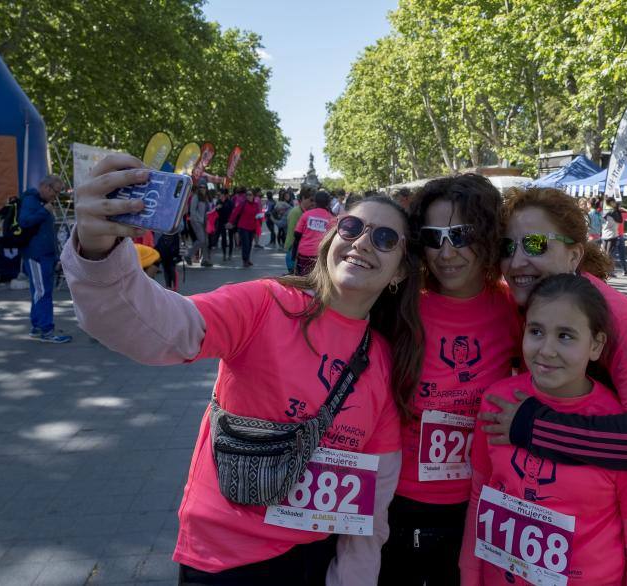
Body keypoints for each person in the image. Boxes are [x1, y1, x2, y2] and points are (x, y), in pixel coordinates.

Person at [61, 153, 425, 586]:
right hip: (225, 560)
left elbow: (373, 496)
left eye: (384, 238)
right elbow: (160, 329)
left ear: (400, 270)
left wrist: (353, 578)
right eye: (351, 227)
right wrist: (99, 249)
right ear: (330, 239)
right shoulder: (264, 303)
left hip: (315, 559)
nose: (362, 242)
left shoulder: (383, 358)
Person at [480, 187, 627, 577]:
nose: (517, 260)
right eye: (507, 247)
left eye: (536, 244)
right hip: (544, 501)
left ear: (574, 254)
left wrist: (531, 426)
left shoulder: (616, 316)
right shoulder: (517, 298)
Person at [461, 274, 627, 585]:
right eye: (536, 331)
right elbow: (479, 496)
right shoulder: (497, 400)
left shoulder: (623, 432)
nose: (546, 350)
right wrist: (469, 574)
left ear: (596, 345)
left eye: (566, 336)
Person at [378, 174, 522, 586]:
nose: (446, 252)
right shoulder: (397, 305)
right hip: (396, 501)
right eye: (432, 236)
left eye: (461, 235)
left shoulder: (515, 307)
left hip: (480, 502)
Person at [18, 174, 72, 343]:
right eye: (55, 192)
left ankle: (38, 327)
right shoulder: (31, 200)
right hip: (36, 255)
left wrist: (56, 256)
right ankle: (46, 330)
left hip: (45, 255)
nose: (55, 196)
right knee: (42, 292)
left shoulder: (41, 202)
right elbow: (24, 222)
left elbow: (49, 233)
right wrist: (44, 212)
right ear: (46, 187)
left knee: (41, 291)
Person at [293, 190, 335, 276]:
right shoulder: (331, 219)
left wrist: (293, 253)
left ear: (315, 201)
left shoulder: (306, 215)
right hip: (319, 255)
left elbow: (297, 234)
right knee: (315, 280)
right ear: (328, 202)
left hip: (303, 254)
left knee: (300, 278)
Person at [228, 189, 262, 268]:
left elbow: (258, 214)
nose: (249, 196)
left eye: (250, 195)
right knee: (245, 244)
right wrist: (230, 222)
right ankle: (245, 260)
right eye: (247, 195)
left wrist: (260, 221)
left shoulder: (256, 204)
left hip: (252, 227)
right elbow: (235, 212)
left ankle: (248, 259)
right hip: (243, 227)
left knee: (250, 244)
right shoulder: (243, 204)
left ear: (253, 196)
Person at [285, 188, 314, 274]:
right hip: (294, 251)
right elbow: (293, 234)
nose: (313, 203)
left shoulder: (306, 212)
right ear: (303, 198)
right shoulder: (296, 212)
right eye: (311, 200)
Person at [186, 183, 212, 267]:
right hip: (197, 222)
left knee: (205, 241)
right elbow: (192, 211)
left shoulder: (206, 198)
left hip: (205, 222)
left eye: (204, 187)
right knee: (202, 240)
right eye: (200, 187)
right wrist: (197, 220)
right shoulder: (196, 197)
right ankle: (188, 255)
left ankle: (205, 260)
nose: (202, 189)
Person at [214, 190, 235, 261]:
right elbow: (215, 211)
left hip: (229, 222)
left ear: (226, 195)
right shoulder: (218, 202)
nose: (222, 196)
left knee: (231, 238)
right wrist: (217, 208)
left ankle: (230, 254)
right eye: (221, 195)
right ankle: (224, 254)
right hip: (221, 222)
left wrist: (232, 222)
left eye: (223, 194)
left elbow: (233, 212)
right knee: (223, 238)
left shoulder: (230, 202)